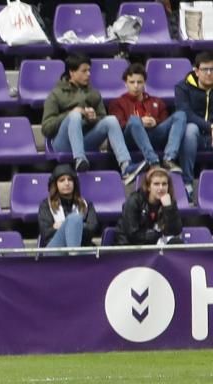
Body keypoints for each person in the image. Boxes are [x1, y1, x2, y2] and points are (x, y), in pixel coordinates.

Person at [42, 53, 146, 184]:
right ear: (72, 72)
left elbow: (102, 117)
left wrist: (93, 118)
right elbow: (46, 128)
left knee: (111, 120)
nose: (89, 74)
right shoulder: (56, 94)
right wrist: (70, 113)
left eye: (89, 70)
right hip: (63, 143)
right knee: (74, 116)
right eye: (84, 71)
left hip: (86, 140)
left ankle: (126, 167)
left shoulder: (94, 93)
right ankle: (79, 159)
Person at [108, 63, 185, 174]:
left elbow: (165, 120)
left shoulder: (157, 101)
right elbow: (118, 125)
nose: (136, 86)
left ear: (144, 83)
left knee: (180, 115)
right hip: (131, 138)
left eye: (139, 82)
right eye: (132, 82)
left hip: (154, 135)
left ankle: (169, 159)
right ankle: (153, 161)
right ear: (125, 84)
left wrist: (155, 121)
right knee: (134, 120)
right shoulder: (117, 103)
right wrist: (140, 122)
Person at [174, 51, 213, 202]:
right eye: (205, 69)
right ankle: (188, 184)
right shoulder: (182, 87)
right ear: (196, 71)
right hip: (195, 135)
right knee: (190, 129)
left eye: (212, 69)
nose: (209, 73)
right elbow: (185, 113)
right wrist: (210, 126)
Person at [115, 167, 183, 245]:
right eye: (156, 184)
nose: (161, 188)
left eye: (164, 184)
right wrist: (158, 235)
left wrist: (168, 208)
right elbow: (132, 234)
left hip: (153, 246)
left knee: (177, 243)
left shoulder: (169, 203)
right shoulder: (134, 201)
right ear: (148, 187)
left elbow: (176, 231)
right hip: (129, 247)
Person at [37, 164, 100, 248]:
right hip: (55, 250)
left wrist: (66, 225)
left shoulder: (86, 203)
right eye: (62, 180)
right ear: (55, 184)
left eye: (70, 180)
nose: (67, 183)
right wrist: (78, 226)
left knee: (74, 219)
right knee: (75, 219)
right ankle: (74, 258)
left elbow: (92, 229)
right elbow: (46, 233)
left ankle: (73, 256)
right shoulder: (45, 205)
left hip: (82, 246)